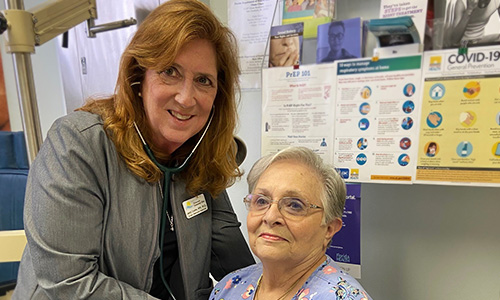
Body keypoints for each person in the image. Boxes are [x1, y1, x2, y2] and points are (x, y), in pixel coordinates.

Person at [12, 1, 255, 299]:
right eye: (170, 71)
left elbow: (236, 265)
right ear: (139, 77)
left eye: (203, 80)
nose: (186, 97)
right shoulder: (77, 144)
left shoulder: (200, 153)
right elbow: (69, 283)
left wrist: (291, 282)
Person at [210, 147, 371, 300]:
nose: (270, 216)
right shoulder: (230, 287)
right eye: (261, 201)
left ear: (329, 228)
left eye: (294, 205)